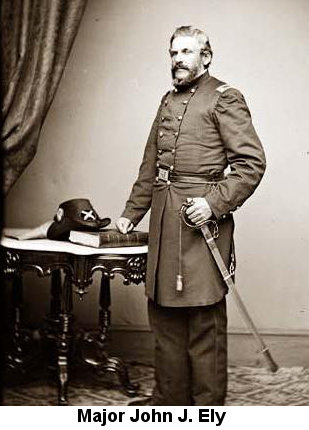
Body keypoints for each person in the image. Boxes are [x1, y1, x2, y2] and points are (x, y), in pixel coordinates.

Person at [116, 25, 266, 406]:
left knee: (203, 318)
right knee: (163, 311)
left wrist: (212, 204)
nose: (177, 60)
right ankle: (168, 399)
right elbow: (151, 165)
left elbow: (251, 164)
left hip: (202, 223)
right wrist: (131, 214)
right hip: (165, 220)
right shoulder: (167, 101)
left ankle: (206, 406)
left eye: (186, 52)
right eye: (173, 53)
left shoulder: (225, 98)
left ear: (206, 56)